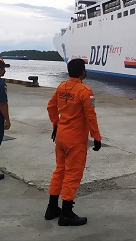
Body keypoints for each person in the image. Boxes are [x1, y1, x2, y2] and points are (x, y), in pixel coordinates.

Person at [45, 58, 101, 226]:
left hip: (61, 136)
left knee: (59, 171)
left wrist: (56, 124)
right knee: (72, 174)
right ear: (82, 71)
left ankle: (52, 207)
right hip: (75, 140)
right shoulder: (85, 91)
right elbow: (90, 116)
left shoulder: (61, 86)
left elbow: (51, 106)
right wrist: (96, 137)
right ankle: (67, 213)